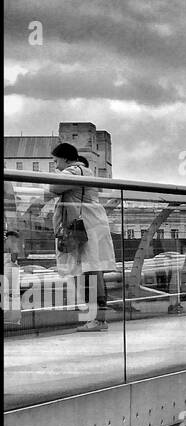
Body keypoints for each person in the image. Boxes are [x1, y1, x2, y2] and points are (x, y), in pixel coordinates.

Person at [48, 141, 117, 332]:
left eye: (56, 161)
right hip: (94, 224)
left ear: (65, 158)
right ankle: (99, 319)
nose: (56, 166)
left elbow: (52, 187)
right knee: (94, 271)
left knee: (88, 273)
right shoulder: (87, 172)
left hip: (83, 228)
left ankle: (95, 319)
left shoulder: (72, 172)